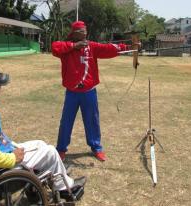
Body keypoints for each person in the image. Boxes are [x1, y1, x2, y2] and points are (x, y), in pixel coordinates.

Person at [0, 62, 86, 194]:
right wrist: (13, 158)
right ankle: (65, 188)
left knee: (40, 144)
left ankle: (54, 172)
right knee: (51, 152)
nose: (1, 85)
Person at [52, 21, 135, 162]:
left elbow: (109, 48)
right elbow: (54, 48)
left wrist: (129, 47)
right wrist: (74, 46)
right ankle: (61, 149)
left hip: (89, 92)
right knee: (66, 121)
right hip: (72, 92)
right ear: (74, 33)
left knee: (92, 120)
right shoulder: (66, 47)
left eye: (85, 31)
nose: (85, 33)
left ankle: (96, 147)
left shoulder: (91, 46)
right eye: (82, 31)